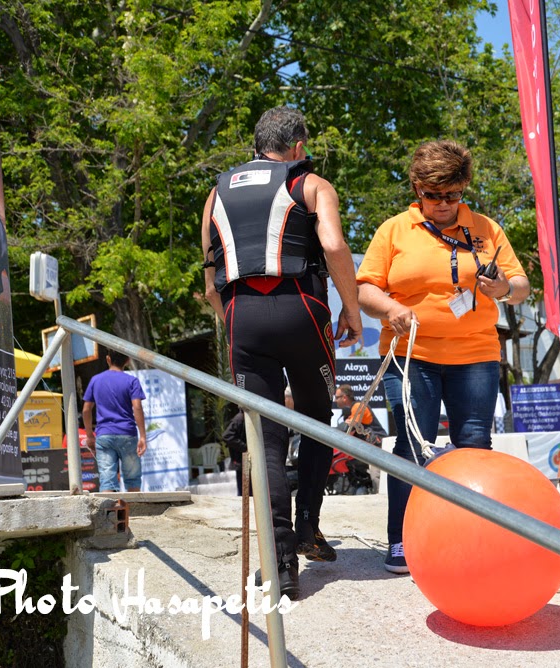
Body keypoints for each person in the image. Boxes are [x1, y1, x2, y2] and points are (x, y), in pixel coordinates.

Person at [201, 106, 361, 600]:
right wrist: (352, 309)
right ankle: (308, 524)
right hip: (302, 309)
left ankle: (280, 564)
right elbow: (333, 246)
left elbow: (209, 283)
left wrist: (234, 325)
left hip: (241, 315)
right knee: (315, 418)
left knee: (264, 438)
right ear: (297, 147)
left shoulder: (215, 193)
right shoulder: (310, 183)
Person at [356, 140, 530, 574]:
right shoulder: (394, 230)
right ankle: (402, 539)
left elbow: (522, 285)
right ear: (417, 189)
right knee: (412, 445)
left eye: (452, 195)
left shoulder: (486, 229)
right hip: (411, 354)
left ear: (463, 188)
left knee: (475, 444)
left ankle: (472, 538)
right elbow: (365, 290)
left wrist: (503, 288)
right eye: (432, 195)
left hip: (475, 354)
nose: (442, 204)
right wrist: (391, 308)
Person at [82, 350, 147, 492]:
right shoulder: (132, 381)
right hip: (127, 434)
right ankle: (135, 506)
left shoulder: (96, 380)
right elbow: (137, 407)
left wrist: (89, 435)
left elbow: (86, 410)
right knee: (133, 480)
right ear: (127, 360)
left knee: (107, 481)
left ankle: (108, 507)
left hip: (104, 435)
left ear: (108, 359)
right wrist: (142, 436)